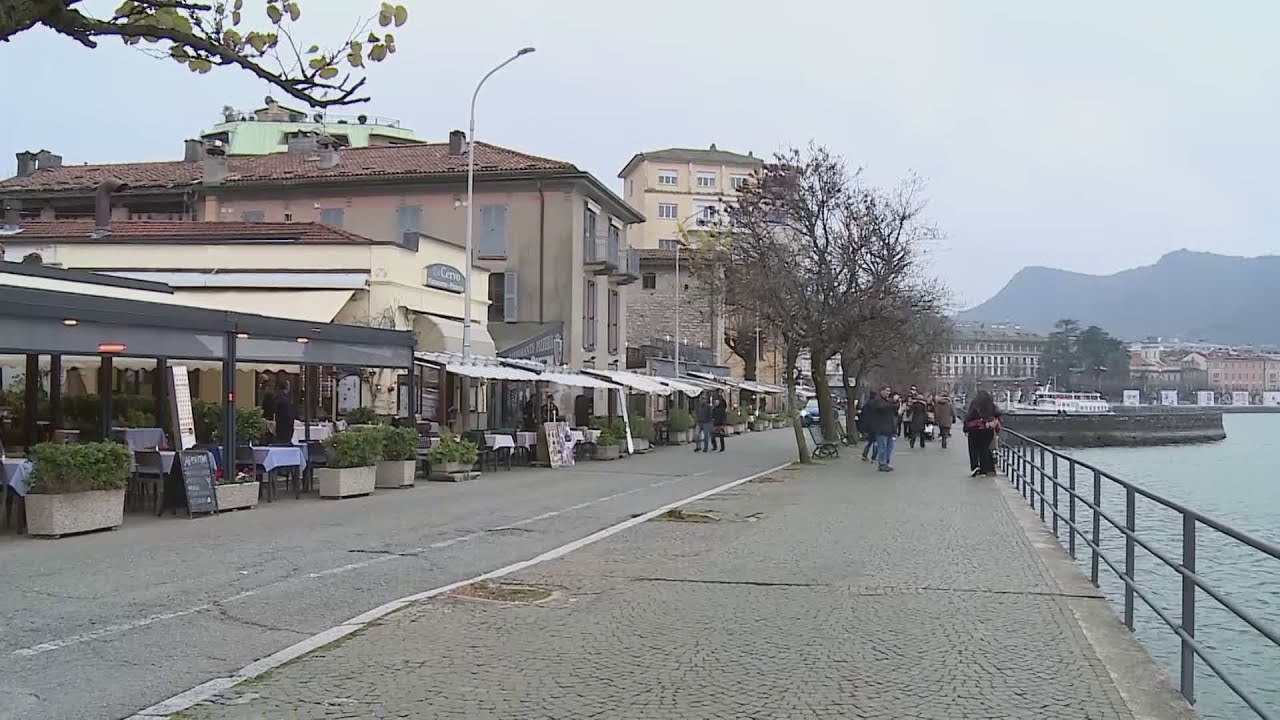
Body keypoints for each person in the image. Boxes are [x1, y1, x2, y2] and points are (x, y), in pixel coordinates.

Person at [963, 391, 1001, 476]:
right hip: (987, 430)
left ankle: (975, 466)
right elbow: (998, 413)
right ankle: (984, 469)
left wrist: (966, 429)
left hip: (974, 430)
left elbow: (968, 417)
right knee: (984, 449)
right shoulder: (991, 405)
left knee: (973, 449)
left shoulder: (974, 404)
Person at [865, 385, 899, 472]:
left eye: (889, 391)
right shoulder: (878, 401)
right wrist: (892, 403)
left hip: (890, 428)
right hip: (881, 428)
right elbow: (882, 407)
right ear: (882, 391)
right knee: (882, 447)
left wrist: (896, 402)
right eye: (886, 391)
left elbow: (895, 409)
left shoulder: (889, 401)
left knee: (889, 447)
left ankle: (886, 462)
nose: (888, 393)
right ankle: (882, 464)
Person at [857, 391, 878, 462]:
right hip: (876, 425)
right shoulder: (876, 405)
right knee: (876, 442)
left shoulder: (866, 405)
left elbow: (862, 415)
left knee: (869, 442)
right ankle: (874, 458)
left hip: (868, 426)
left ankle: (864, 455)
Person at [273, 380, 295, 445]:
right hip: (285, 427)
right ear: (287, 388)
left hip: (279, 426)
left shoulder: (277, 398)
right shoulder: (285, 400)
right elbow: (289, 415)